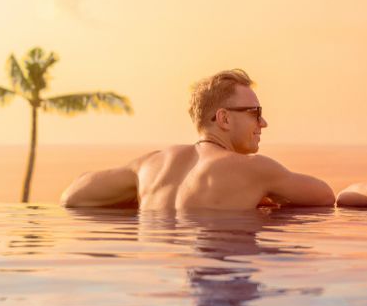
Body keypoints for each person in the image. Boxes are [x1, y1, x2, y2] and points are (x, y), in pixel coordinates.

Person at [61, 69, 335, 210]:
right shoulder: (254, 168)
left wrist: (138, 195)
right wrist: (262, 190)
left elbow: (72, 196)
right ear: (224, 119)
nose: (263, 123)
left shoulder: (150, 165)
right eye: (255, 113)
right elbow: (325, 196)